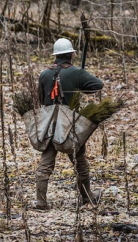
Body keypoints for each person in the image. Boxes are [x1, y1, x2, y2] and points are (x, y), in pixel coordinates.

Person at [35, 38, 104, 210]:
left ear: (56, 56)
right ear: (71, 54)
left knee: (46, 162)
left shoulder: (44, 74)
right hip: (69, 123)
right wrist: (80, 84)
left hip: (49, 123)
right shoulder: (76, 72)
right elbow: (97, 85)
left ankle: (40, 201)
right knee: (79, 160)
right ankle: (88, 197)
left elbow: (40, 98)